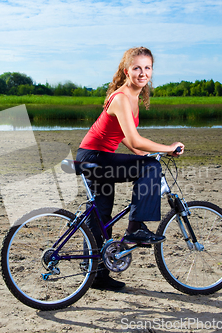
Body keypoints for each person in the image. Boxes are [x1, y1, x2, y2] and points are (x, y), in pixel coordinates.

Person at [76, 46, 184, 290]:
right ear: (127, 71)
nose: (142, 73)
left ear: (152, 71)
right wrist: (167, 148)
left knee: (101, 214)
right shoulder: (123, 97)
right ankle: (136, 228)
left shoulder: (131, 97)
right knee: (151, 169)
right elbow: (134, 138)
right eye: (137, 68)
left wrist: (139, 153)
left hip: (95, 156)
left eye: (147, 68)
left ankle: (96, 276)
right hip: (96, 157)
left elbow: (122, 135)